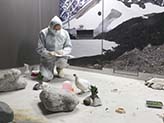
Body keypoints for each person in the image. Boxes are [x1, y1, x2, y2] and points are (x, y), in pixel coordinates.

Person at [36, 16, 72, 81]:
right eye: (55, 29)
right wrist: (48, 53)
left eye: (59, 29)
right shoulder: (43, 33)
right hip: (47, 59)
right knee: (46, 78)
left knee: (62, 61)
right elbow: (40, 48)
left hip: (60, 57)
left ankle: (59, 68)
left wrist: (63, 52)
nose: (57, 30)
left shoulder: (65, 33)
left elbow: (68, 46)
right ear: (51, 26)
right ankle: (45, 70)